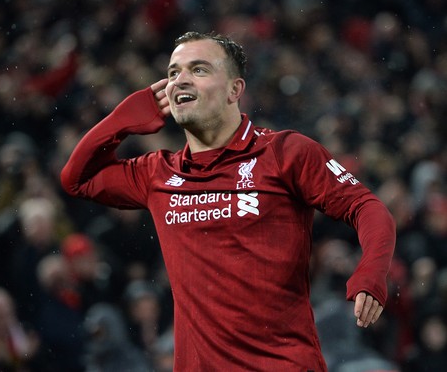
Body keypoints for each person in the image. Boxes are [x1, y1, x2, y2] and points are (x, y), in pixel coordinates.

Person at [60, 31, 396, 370]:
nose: (180, 81)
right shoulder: (157, 174)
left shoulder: (285, 153)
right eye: (173, 72)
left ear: (235, 90)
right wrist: (123, 120)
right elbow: (77, 179)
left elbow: (367, 207)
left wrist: (371, 270)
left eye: (199, 69)